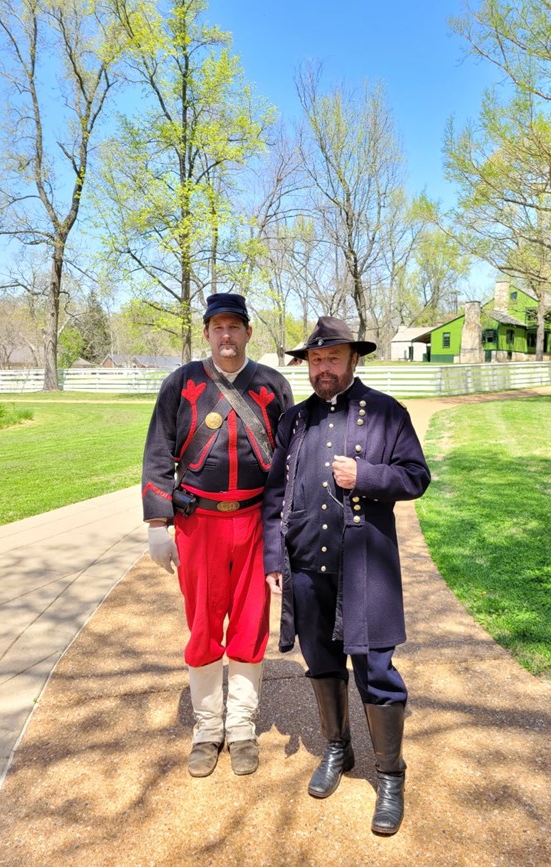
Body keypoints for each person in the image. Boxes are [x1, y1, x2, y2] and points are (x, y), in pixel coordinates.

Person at [262, 316, 430, 835]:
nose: (323, 368)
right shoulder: (293, 421)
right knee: (322, 664)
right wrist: (275, 559)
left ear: (353, 359)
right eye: (315, 360)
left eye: (333, 358)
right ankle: (338, 748)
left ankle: (390, 774)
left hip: (365, 566)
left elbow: (417, 477)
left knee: (375, 668)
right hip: (307, 565)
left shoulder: (386, 412)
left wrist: (369, 477)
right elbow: (273, 498)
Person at [142, 293, 293, 778]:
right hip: (198, 525)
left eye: (235, 327)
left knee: (251, 625)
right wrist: (157, 524)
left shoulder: (272, 385)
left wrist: (287, 532)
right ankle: (208, 728)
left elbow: (290, 463)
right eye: (218, 327)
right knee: (204, 626)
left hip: (255, 522)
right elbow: (159, 453)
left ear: (249, 332)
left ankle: (243, 726)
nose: (226, 336)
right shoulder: (181, 383)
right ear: (207, 333)